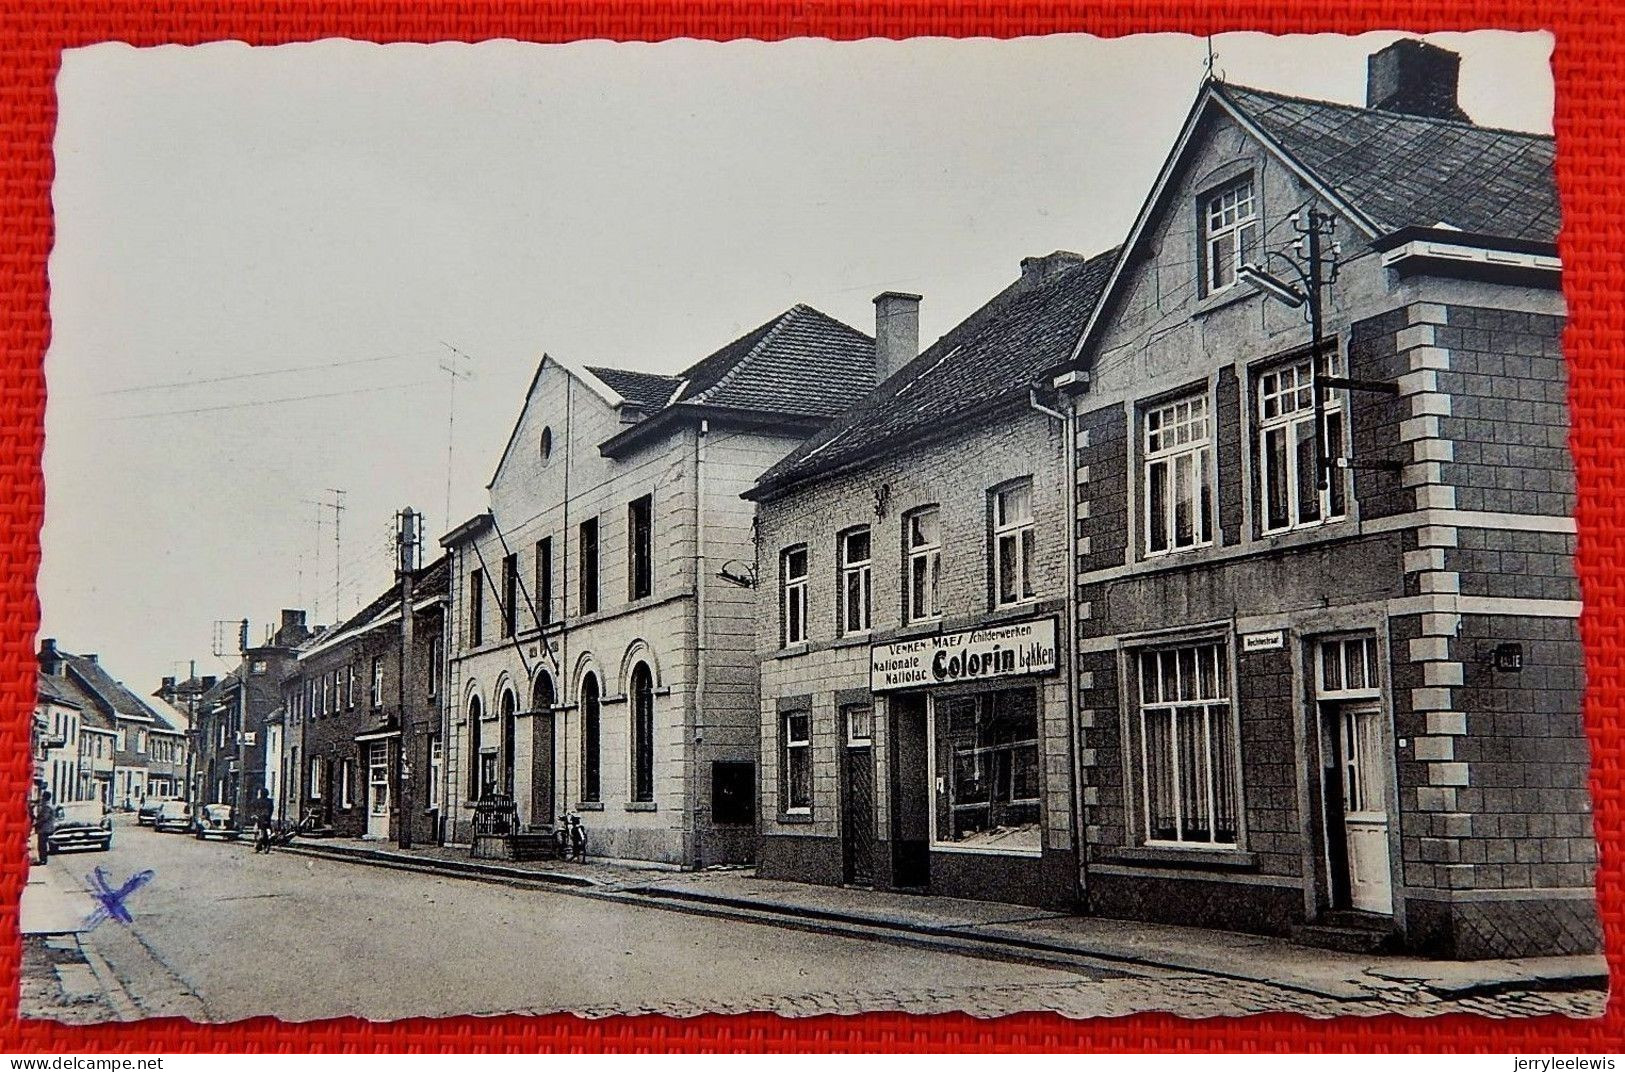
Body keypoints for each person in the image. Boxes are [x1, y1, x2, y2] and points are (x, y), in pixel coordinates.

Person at [30, 789, 55, 865]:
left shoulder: (47, 807)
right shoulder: (47, 806)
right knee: (42, 845)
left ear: (45, 797)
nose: (41, 798)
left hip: (44, 829)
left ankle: (43, 860)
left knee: (42, 845)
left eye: (42, 796)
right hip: (45, 828)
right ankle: (43, 859)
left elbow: (44, 818)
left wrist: (36, 823)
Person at [250, 788, 274, 853]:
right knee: (262, 832)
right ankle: (263, 846)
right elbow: (270, 810)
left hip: (261, 820)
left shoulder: (259, 801)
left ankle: (259, 846)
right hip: (265, 819)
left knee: (259, 833)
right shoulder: (269, 801)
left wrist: (255, 815)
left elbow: (257, 810)